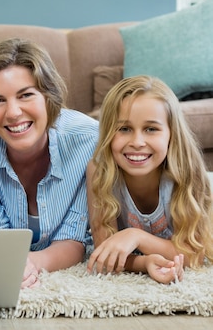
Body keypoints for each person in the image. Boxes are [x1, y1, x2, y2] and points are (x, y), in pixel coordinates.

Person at [0, 38, 99, 289]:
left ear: (48, 97)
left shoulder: (88, 140)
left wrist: (31, 262)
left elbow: (73, 240)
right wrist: (12, 262)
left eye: (26, 95)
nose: (13, 113)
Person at [86, 75, 213, 284]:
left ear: (172, 134)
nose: (137, 142)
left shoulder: (189, 168)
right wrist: (144, 263)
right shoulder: (100, 170)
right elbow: (105, 252)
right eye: (124, 129)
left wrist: (136, 236)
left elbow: (195, 255)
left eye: (151, 129)